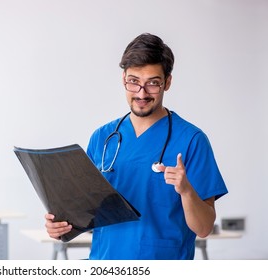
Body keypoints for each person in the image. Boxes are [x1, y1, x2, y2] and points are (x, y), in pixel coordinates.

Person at [45, 33, 228, 260]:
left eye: (152, 83)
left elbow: (204, 228)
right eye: (134, 81)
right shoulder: (102, 138)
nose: (141, 93)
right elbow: (87, 215)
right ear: (124, 78)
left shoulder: (191, 140)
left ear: (167, 82)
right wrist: (62, 226)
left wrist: (186, 191)